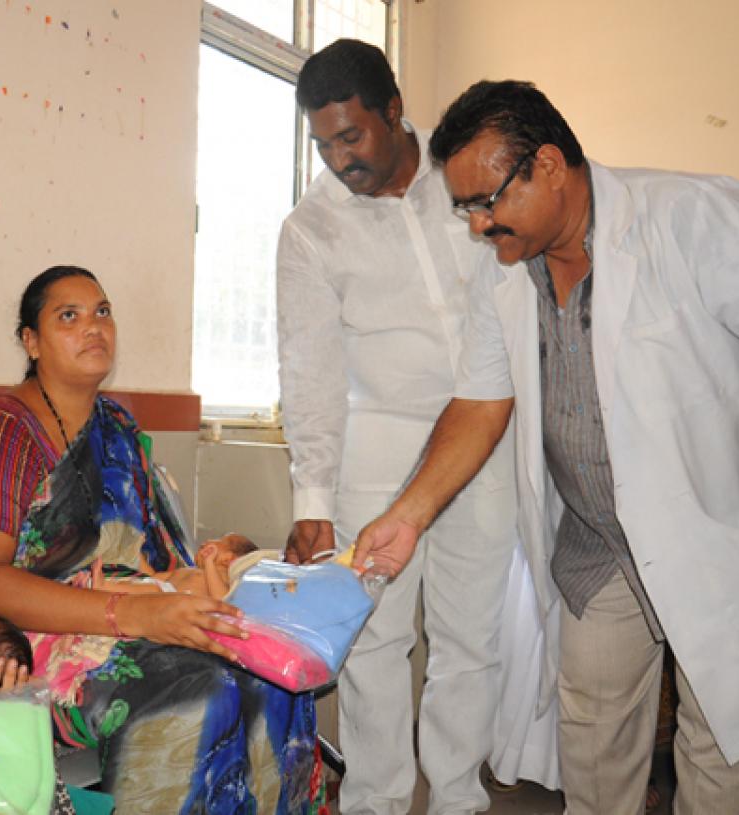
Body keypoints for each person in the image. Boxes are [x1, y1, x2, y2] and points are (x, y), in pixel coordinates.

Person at [353, 80, 739, 815]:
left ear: (550, 164)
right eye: (466, 209)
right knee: (591, 757)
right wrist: (409, 514)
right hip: (597, 550)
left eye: (487, 200)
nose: (479, 224)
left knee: (723, 763)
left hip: (720, 542)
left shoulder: (687, 215)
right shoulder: (508, 275)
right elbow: (481, 401)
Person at [276, 39, 548, 814]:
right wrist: (312, 496)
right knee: (373, 642)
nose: (338, 158)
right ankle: (376, 802)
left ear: (395, 111)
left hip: (485, 434)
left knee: (469, 639)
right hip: (377, 444)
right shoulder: (311, 230)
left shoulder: (468, 174)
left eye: (351, 136)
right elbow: (311, 368)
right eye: (323, 143)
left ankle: (459, 798)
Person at [0, 265, 324, 814]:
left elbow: (159, 561)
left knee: (273, 673)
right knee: (199, 692)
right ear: (31, 341)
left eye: (102, 311)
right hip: (33, 637)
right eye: (68, 316)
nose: (93, 327)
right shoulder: (3, 430)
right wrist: (133, 615)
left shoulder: (117, 428)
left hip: (137, 610)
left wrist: (196, 597)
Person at [90, 532, 259, 598]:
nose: (207, 540)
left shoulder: (224, 580)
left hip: (173, 601)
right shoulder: (187, 571)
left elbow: (221, 599)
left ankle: (102, 586)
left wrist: (209, 564)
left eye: (220, 540)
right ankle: (99, 588)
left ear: (228, 559)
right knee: (139, 584)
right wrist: (138, 555)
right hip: (156, 592)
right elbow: (153, 577)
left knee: (154, 589)